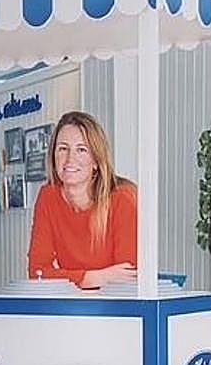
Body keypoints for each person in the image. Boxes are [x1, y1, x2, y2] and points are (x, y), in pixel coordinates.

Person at [27, 111, 137, 288]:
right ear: (53, 156)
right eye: (63, 148)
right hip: (73, 304)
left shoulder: (122, 198)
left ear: (96, 161)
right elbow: (37, 272)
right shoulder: (48, 196)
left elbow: (128, 276)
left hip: (119, 307)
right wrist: (94, 278)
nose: (70, 159)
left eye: (81, 150)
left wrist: (68, 280)